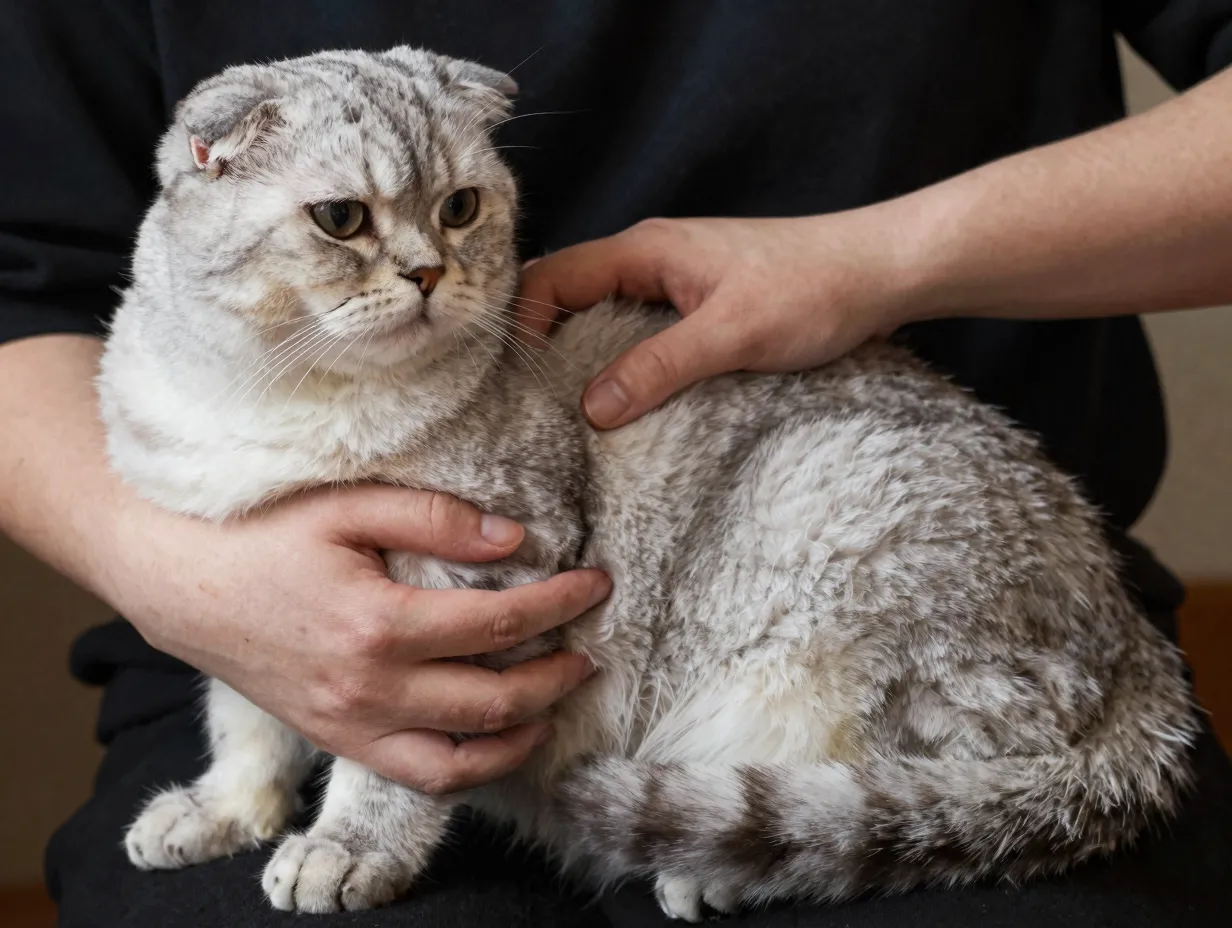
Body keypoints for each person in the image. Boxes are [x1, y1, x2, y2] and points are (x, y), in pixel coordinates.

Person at [1, 2, 1230, 926]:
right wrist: (174, 575)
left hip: (915, 642)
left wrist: (884, 257)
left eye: (462, 215)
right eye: (343, 222)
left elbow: (490, 586)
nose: (424, 269)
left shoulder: (468, 352)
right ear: (202, 168)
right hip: (235, 650)